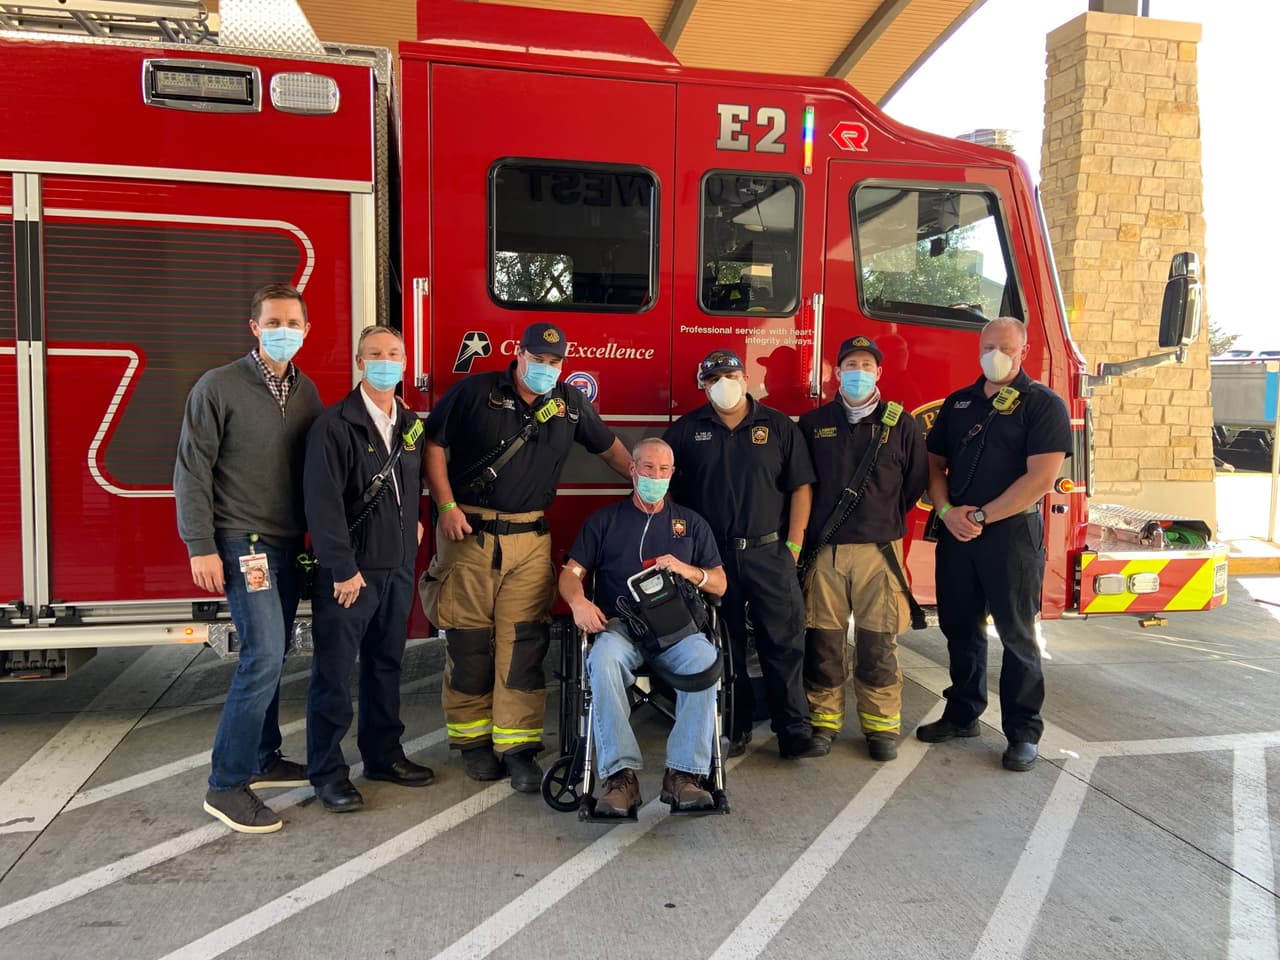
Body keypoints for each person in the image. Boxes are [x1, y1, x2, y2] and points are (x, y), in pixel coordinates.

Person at [420, 322, 632, 791]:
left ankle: (517, 748)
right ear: (519, 354)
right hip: (469, 533)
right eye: (539, 359)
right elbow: (433, 444)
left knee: (523, 647)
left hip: (530, 541)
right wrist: (447, 505)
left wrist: (643, 478)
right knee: (470, 645)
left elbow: (609, 447)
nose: (546, 368)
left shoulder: (570, 404)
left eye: (555, 362)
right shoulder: (474, 391)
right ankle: (473, 744)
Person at [175, 282, 323, 834]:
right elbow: (192, 470)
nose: (285, 331)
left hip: (286, 544)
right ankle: (226, 784)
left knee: (276, 648)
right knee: (261, 654)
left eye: (294, 323)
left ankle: (264, 758)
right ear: (255, 328)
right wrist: (201, 545)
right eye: (274, 322)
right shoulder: (218, 386)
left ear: (307, 331)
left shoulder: (306, 391)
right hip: (243, 543)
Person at [917, 317, 1071, 772]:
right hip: (958, 532)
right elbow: (933, 465)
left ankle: (1023, 732)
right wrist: (948, 513)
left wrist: (982, 516)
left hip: (1009, 536)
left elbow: (1041, 479)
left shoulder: (1042, 404)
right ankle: (963, 713)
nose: (995, 354)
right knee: (960, 629)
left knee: (1017, 636)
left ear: (1023, 351)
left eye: (1005, 347)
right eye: (988, 346)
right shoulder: (959, 402)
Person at [664, 349, 826, 760]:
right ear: (702, 385)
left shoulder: (778, 426)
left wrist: (793, 544)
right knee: (724, 645)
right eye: (713, 376)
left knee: (784, 643)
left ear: (745, 376)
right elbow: (666, 491)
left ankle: (793, 729)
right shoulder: (685, 431)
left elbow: (800, 487)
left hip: (770, 552)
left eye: (731, 373)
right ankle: (734, 725)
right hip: (712, 560)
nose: (723, 382)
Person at [302, 325, 434, 812]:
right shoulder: (335, 425)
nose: (385, 361)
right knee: (334, 674)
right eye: (375, 354)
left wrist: (415, 528)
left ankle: (383, 755)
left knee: (386, 665)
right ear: (359, 363)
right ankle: (328, 773)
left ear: (404, 362)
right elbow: (323, 505)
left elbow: (412, 484)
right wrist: (341, 569)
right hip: (350, 576)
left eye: (394, 353)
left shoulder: (411, 423)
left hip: (397, 568)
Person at [559, 438, 728, 815]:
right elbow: (571, 574)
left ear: (672, 475)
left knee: (705, 660)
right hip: (621, 629)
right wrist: (578, 601)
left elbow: (719, 582)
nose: (655, 476)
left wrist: (688, 570)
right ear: (632, 470)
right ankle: (620, 778)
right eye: (648, 468)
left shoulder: (691, 524)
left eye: (663, 470)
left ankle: (684, 775)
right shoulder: (605, 521)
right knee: (601, 661)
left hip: (677, 632)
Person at [798, 336, 928, 761]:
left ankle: (881, 727)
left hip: (879, 552)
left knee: (878, 645)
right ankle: (824, 723)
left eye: (866, 365)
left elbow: (914, 484)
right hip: (826, 553)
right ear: (836, 372)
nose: (858, 372)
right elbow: (802, 487)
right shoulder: (813, 424)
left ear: (879, 373)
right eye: (850, 364)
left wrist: (881, 519)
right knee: (823, 643)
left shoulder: (902, 424)